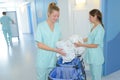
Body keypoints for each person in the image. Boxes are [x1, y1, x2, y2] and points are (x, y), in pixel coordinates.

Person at [35, 2, 66, 80]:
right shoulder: (41, 26)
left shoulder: (58, 26)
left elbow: (59, 40)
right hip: (43, 59)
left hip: (53, 59)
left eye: (58, 16)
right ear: (48, 14)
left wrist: (65, 46)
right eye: (54, 16)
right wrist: (54, 49)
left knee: (51, 77)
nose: (56, 18)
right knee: (41, 78)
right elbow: (39, 45)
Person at [74, 9, 105, 80]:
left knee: (96, 77)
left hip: (96, 57)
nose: (89, 18)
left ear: (96, 17)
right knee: (93, 75)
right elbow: (89, 38)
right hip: (91, 55)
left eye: (90, 17)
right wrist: (80, 40)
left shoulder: (100, 29)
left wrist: (81, 45)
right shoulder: (93, 26)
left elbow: (95, 45)